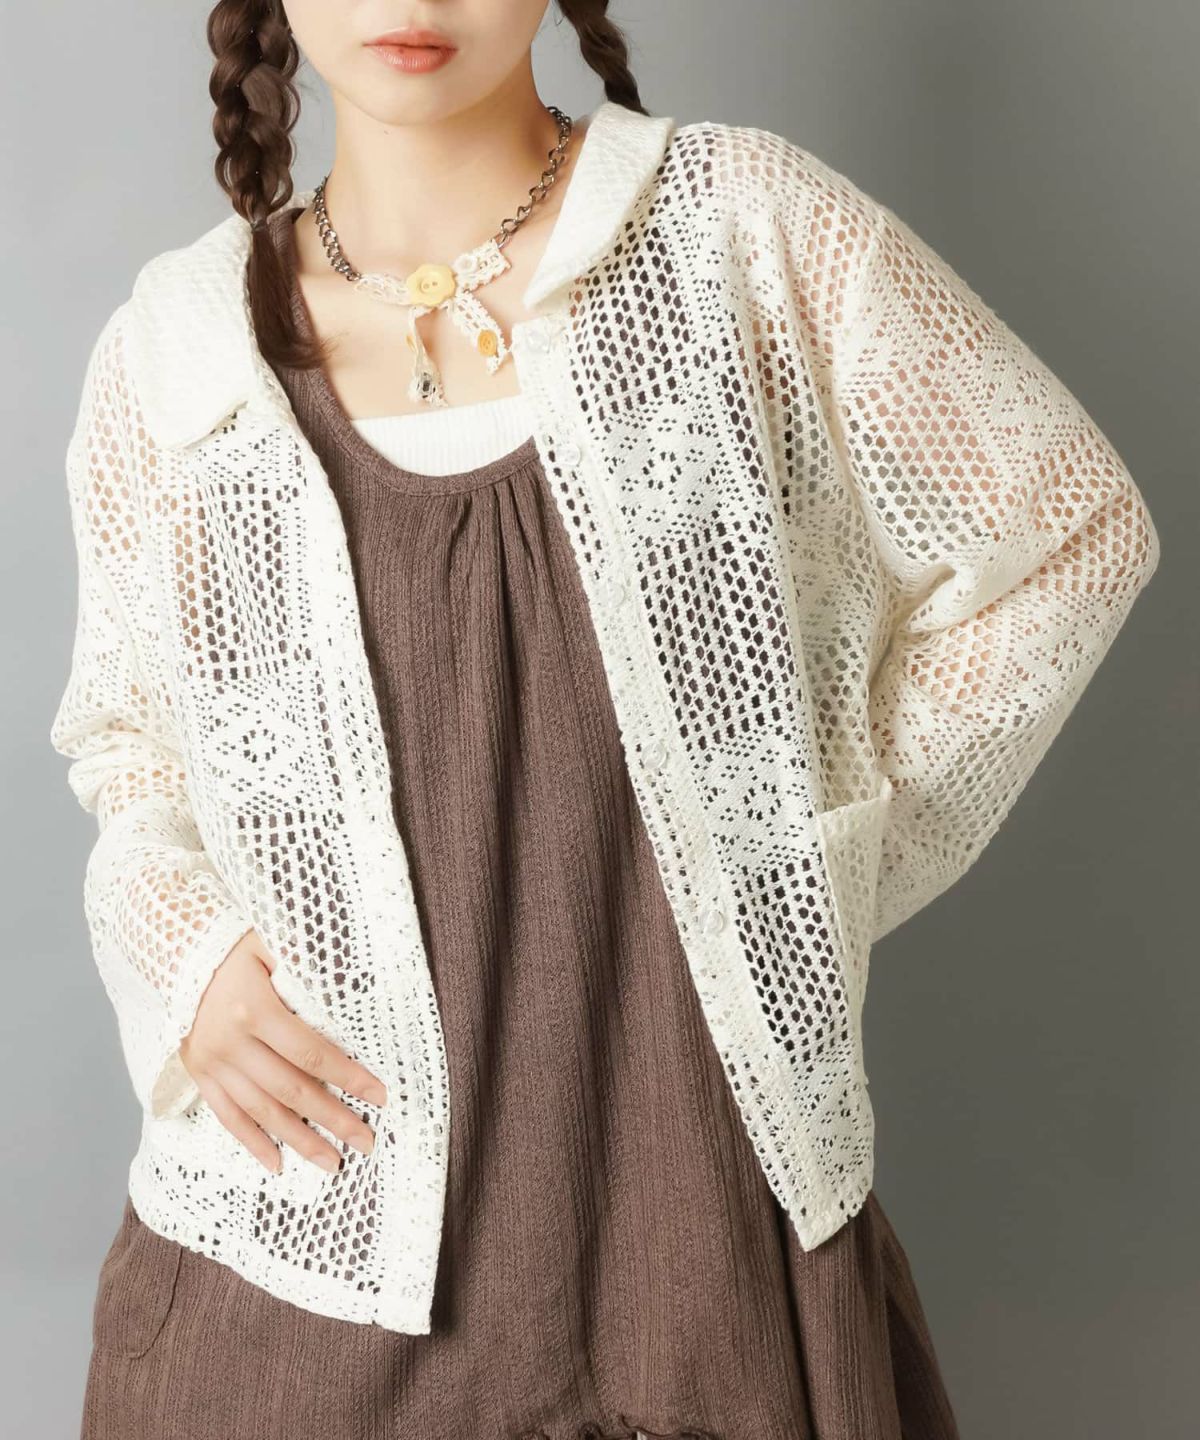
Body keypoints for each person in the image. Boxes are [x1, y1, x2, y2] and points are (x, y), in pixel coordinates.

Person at [52, 3, 1160, 1438]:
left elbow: (1067, 529)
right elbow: (127, 744)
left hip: (697, 1241)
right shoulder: (178, 348)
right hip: (301, 1259)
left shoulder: (738, 228)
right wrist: (188, 964)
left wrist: (808, 868)